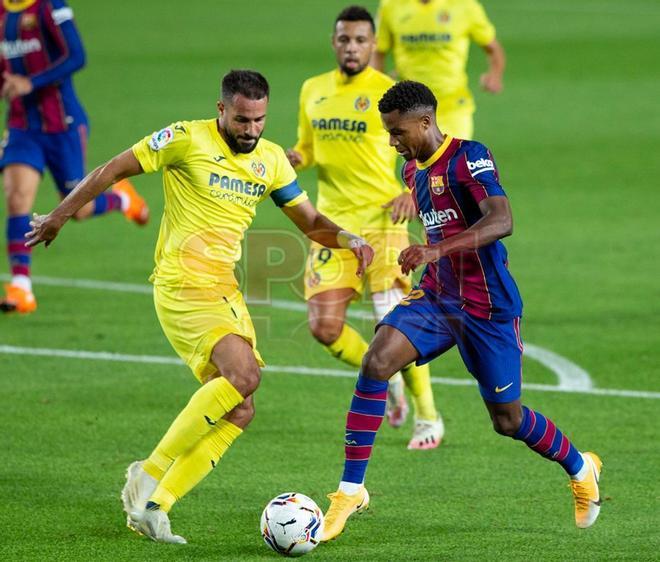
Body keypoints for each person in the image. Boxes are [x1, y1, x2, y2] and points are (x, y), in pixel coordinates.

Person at [26, 69, 374, 544]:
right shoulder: (185, 139)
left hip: (223, 289)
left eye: (260, 120)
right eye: (242, 120)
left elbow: (309, 220)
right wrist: (59, 215)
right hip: (182, 283)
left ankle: (154, 506)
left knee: (240, 409)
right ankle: (147, 476)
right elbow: (113, 169)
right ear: (221, 110)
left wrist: (348, 238)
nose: (252, 130)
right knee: (244, 376)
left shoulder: (271, 161)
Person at [321, 81, 602, 541]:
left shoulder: (469, 156)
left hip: (488, 307)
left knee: (507, 420)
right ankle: (350, 490)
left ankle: (580, 466)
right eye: (388, 134)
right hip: (437, 297)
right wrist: (428, 257)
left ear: (426, 122)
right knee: (377, 360)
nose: (392, 143)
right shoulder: (412, 172)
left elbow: (502, 220)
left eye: (397, 132)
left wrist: (436, 251)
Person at [287, 5, 443, 450]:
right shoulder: (313, 90)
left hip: (383, 224)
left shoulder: (390, 93)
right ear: (334, 42)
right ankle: (388, 379)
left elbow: (425, 150)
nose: (351, 47)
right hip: (332, 227)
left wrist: (413, 192)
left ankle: (428, 418)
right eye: (343, 39)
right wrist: (297, 157)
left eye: (359, 40)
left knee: (400, 330)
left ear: (374, 44)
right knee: (324, 328)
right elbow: (308, 145)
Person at [0, 0, 148, 314]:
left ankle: (122, 200)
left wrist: (31, 82)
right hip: (22, 126)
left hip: (62, 125)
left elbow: (76, 55)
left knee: (77, 208)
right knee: (17, 198)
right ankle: (21, 287)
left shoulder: (50, 7)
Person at [371, 0, 505, 139]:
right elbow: (378, 51)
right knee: (418, 160)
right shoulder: (391, 5)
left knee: (453, 159)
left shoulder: (465, 5)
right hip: (409, 109)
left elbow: (493, 48)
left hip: (452, 106)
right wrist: (379, 85)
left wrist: (495, 75)